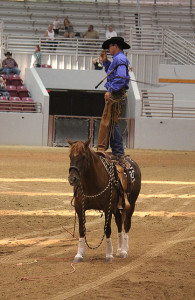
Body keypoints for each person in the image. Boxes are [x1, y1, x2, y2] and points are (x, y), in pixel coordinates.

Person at [97, 37, 130, 159]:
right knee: (111, 122)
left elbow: (120, 77)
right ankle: (117, 150)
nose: (108, 49)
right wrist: (105, 62)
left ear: (115, 46)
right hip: (116, 93)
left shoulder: (120, 59)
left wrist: (110, 90)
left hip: (116, 94)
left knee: (111, 122)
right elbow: (113, 73)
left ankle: (118, 151)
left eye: (110, 46)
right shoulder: (118, 59)